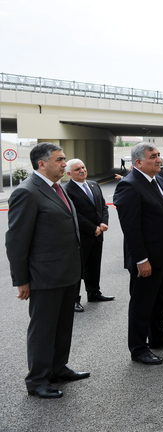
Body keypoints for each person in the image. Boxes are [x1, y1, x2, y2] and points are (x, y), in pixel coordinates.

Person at [6, 142, 90, 398]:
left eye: (64, 159)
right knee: (43, 329)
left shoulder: (57, 189)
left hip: (67, 272)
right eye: (60, 159)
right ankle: (37, 380)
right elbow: (16, 240)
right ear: (41, 164)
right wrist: (21, 280)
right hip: (45, 276)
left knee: (63, 325)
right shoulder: (27, 192)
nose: (65, 164)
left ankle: (57, 367)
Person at [113, 143, 163, 366]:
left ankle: (158, 336)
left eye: (158, 155)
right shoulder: (129, 186)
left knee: (160, 299)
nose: (158, 159)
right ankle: (138, 348)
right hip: (147, 260)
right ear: (138, 163)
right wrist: (141, 260)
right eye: (152, 157)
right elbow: (132, 228)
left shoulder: (160, 179)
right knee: (142, 304)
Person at [64, 158, 115, 312]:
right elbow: (74, 214)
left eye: (83, 167)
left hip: (98, 234)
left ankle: (94, 292)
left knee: (94, 264)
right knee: (78, 269)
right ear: (68, 173)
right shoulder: (67, 190)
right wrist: (93, 228)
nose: (82, 170)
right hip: (81, 236)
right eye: (77, 169)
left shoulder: (93, 185)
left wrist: (103, 223)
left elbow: (103, 207)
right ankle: (74, 299)